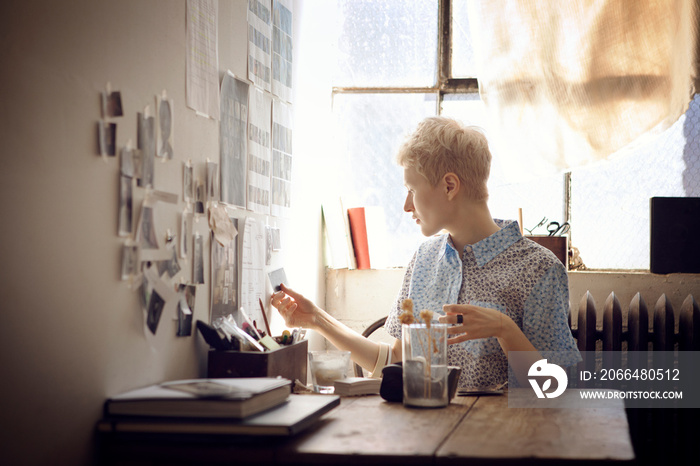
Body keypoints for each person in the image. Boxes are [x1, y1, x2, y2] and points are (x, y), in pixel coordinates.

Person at [271, 116, 580, 390]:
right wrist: (316, 320)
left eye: (412, 190)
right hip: (423, 437)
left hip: (497, 443)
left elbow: (555, 386)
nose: (407, 205)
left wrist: (504, 329)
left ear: (449, 186)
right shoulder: (424, 259)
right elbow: (395, 360)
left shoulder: (539, 269)